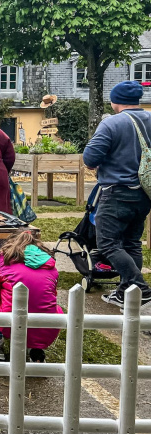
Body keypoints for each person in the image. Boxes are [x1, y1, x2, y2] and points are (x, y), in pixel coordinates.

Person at [83, 80, 151, 308]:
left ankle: (140, 289)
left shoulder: (112, 123)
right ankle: (125, 293)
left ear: (114, 101)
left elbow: (90, 158)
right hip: (144, 193)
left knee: (108, 244)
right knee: (132, 243)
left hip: (116, 192)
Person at [0, 230, 63, 362]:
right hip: (48, 326)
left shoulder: (1, 259)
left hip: (10, 323)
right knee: (45, 302)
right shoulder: (50, 264)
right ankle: (36, 351)